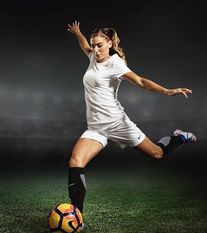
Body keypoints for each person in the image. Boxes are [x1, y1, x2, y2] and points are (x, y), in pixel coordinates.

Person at [67, 21, 197, 216]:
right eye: (93, 45)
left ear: (109, 43)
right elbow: (83, 45)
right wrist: (77, 32)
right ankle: (76, 215)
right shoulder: (93, 56)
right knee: (76, 161)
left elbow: (141, 82)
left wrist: (168, 91)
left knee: (156, 154)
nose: (95, 49)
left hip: (117, 123)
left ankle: (179, 137)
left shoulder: (115, 63)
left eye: (99, 45)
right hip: (96, 128)